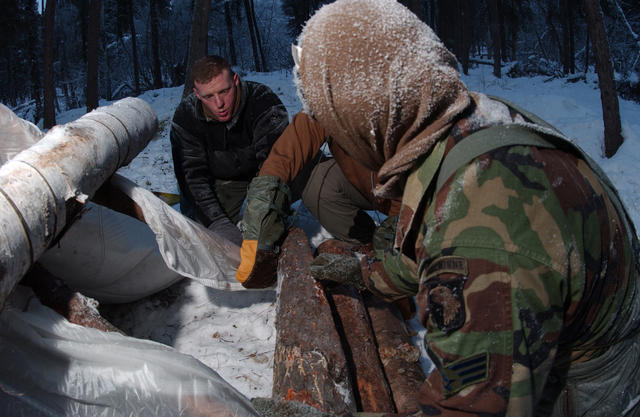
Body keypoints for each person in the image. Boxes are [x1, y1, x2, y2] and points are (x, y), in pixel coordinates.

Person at [238, 0, 640, 415]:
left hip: (588, 389)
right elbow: (434, 237)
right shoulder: (466, 116)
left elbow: (469, 410)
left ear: (360, 113)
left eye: (330, 115)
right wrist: (366, 272)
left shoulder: (483, 230)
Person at [170, 55, 289, 247]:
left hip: (266, 174)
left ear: (235, 81)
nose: (219, 104)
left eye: (224, 91)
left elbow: (276, 163)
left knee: (266, 229)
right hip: (223, 180)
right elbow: (191, 178)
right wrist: (218, 222)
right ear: (197, 94)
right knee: (203, 236)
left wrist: (259, 215)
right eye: (209, 96)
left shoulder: (263, 100)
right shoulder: (186, 117)